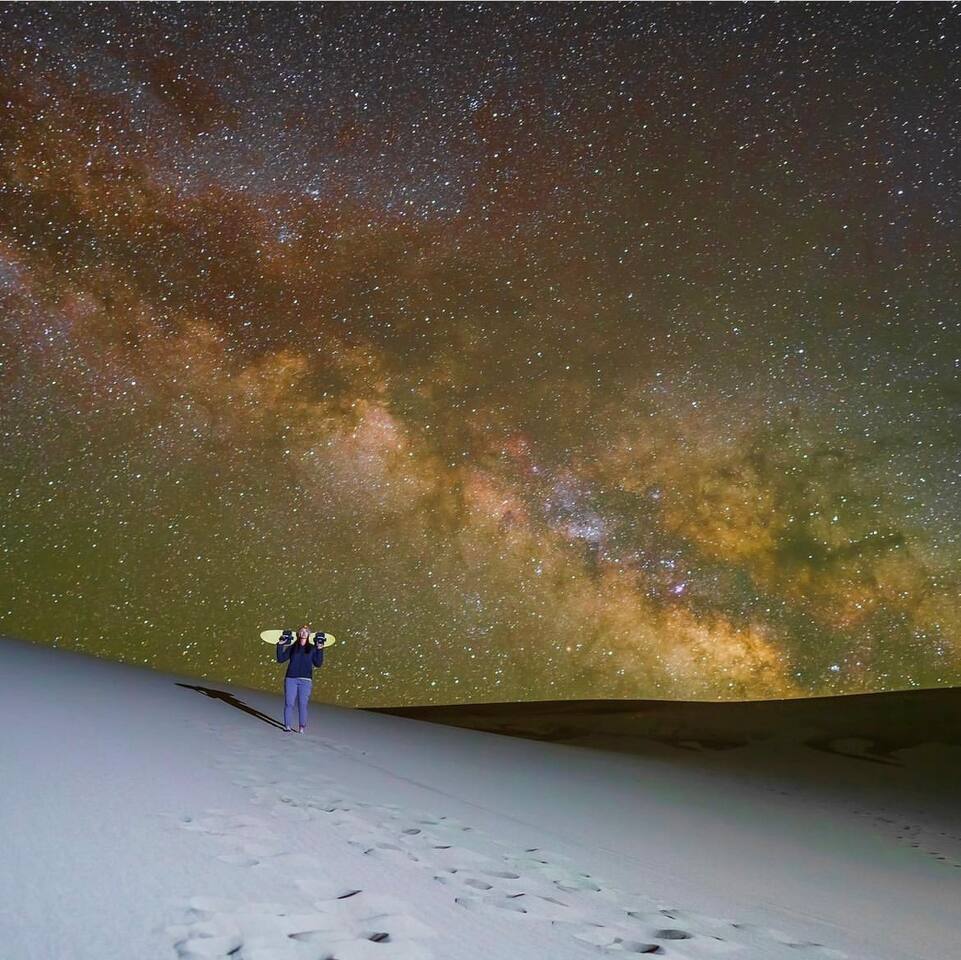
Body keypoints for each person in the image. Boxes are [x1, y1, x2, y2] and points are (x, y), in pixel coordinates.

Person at [276, 623, 325, 733]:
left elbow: (318, 663)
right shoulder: (293, 648)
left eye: (306, 631)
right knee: (289, 703)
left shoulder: (312, 648)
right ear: (298, 634)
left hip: (305, 680)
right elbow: (280, 659)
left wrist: (320, 649)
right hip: (291, 679)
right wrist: (280, 645)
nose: (304, 633)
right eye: (302, 631)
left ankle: (302, 727)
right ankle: (287, 726)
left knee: (303, 704)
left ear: (309, 634)